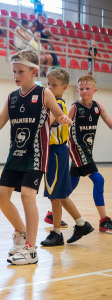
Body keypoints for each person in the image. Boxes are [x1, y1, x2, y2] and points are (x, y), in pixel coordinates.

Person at [0, 49, 72, 265]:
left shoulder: (44, 94)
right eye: (14, 71)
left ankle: (31, 250)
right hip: (14, 154)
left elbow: (57, 112)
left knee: (27, 195)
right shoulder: (12, 97)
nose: (16, 75)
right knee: (0, 196)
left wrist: (63, 118)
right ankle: (21, 232)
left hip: (36, 154)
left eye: (20, 71)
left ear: (34, 71)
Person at [40, 69, 94, 247]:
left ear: (63, 87)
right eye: (48, 84)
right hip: (57, 152)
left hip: (56, 151)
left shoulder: (59, 105)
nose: (49, 87)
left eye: (53, 85)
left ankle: (56, 233)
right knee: (60, 194)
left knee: (55, 195)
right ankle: (81, 223)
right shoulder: (54, 103)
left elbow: (46, 124)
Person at [68, 74, 112, 233]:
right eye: (81, 89)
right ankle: (104, 221)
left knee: (71, 184)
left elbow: (109, 122)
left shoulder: (98, 106)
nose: (84, 91)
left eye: (87, 88)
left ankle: (52, 213)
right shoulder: (74, 107)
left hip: (86, 150)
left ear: (94, 90)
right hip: (75, 148)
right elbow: (65, 123)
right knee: (99, 180)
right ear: (78, 90)